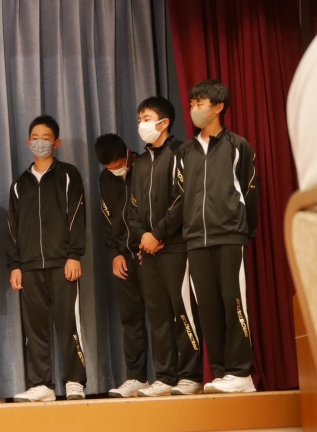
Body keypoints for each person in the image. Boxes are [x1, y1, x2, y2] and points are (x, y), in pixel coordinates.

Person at [179, 80, 258, 393]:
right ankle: (223, 372)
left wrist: (242, 229)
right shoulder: (185, 152)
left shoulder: (238, 146)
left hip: (230, 236)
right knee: (208, 309)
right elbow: (182, 197)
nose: (194, 109)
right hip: (196, 240)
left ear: (218, 107)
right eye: (192, 104)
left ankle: (242, 373)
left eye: (200, 103)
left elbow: (249, 191)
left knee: (233, 302)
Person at [6, 115, 87, 402]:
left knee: (68, 323)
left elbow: (77, 215)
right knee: (35, 327)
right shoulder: (19, 184)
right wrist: (15, 265)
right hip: (29, 267)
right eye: (35, 138)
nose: (40, 142)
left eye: (46, 138)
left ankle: (75, 381)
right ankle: (42, 383)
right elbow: (12, 227)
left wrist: (74, 254)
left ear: (56, 142)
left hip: (62, 263)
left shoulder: (68, 175)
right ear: (28, 142)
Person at [129, 97, 203, 397]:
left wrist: (158, 233)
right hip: (148, 251)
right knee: (158, 316)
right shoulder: (140, 162)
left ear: (164, 122)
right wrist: (143, 237)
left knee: (184, 311)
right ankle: (165, 376)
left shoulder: (181, 152)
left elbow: (183, 198)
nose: (141, 124)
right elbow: (132, 208)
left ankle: (190, 375)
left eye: (146, 118)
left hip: (175, 247)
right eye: (139, 119)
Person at [94, 133, 150, 398]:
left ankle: (169, 377)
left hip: (150, 252)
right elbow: (107, 218)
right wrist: (114, 253)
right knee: (130, 319)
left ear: (127, 154)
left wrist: (147, 245)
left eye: (117, 165)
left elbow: (154, 210)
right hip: (123, 258)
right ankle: (137, 377)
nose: (114, 170)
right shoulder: (105, 178)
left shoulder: (144, 168)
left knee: (162, 317)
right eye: (109, 168)